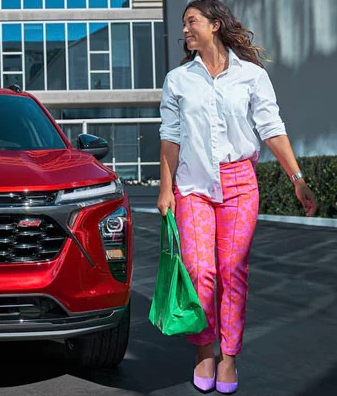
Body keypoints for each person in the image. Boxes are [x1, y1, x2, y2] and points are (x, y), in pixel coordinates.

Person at [156, 0, 318, 393]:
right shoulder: (178, 80)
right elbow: (170, 138)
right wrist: (165, 189)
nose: (185, 30)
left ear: (214, 25)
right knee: (200, 271)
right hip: (193, 185)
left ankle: (228, 357)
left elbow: (271, 128)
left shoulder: (252, 76)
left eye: (191, 21)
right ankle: (204, 350)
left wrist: (297, 178)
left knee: (232, 270)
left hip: (240, 184)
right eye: (183, 23)